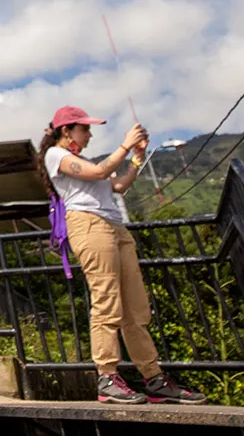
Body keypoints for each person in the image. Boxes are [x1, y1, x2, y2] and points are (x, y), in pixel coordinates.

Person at [41, 105, 206, 405]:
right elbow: (101, 171)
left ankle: (153, 378)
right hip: (89, 226)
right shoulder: (56, 155)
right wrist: (125, 144)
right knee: (106, 301)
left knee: (135, 307)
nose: (90, 133)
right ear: (67, 130)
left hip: (114, 226)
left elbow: (117, 184)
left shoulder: (80, 158)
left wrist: (136, 158)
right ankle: (106, 377)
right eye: (85, 128)